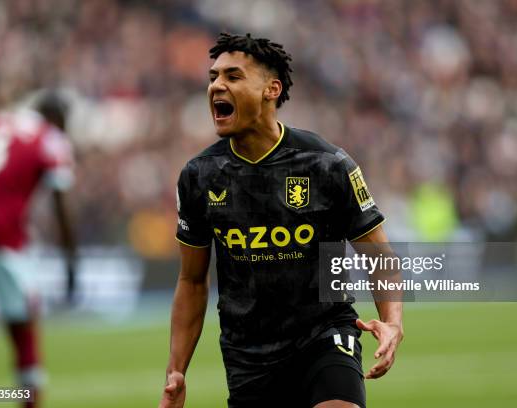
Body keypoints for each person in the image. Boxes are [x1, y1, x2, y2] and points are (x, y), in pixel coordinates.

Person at [160, 33, 403, 408]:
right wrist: (176, 370)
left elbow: (379, 257)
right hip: (248, 355)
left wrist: (392, 321)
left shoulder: (327, 164)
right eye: (213, 77)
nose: (216, 86)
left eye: (233, 76)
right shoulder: (199, 176)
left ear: (271, 89)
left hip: (325, 333)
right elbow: (192, 281)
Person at [0, 91, 76, 408]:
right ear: (59, 120)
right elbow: (61, 203)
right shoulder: (49, 137)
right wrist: (71, 260)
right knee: (23, 327)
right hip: (5, 238)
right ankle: (28, 399)